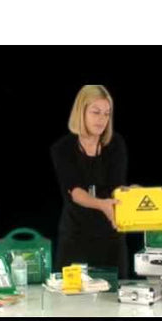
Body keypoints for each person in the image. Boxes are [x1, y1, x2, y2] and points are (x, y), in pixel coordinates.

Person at [50, 85, 129, 279]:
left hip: (111, 239)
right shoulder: (63, 148)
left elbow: (116, 187)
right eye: (96, 112)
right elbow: (75, 191)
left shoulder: (116, 144)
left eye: (106, 114)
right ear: (81, 112)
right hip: (75, 238)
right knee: (73, 294)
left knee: (115, 292)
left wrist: (130, 194)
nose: (102, 119)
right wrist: (102, 204)